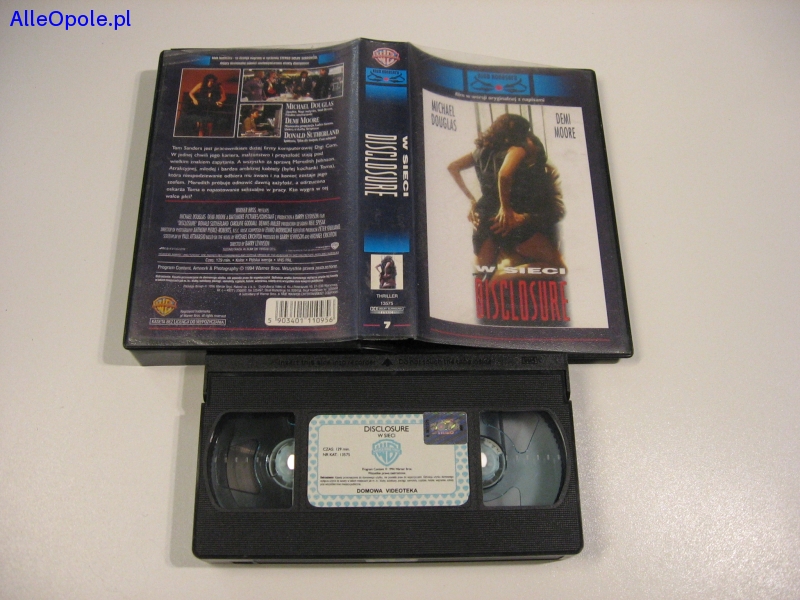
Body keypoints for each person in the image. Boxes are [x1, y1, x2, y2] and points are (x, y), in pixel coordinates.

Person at [447, 113, 565, 270]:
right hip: (506, 217)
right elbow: (504, 174)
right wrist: (505, 207)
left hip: (484, 213)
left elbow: (453, 167)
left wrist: (471, 199)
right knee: (558, 266)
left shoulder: (481, 151)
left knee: (481, 272)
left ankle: (498, 277)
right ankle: (503, 277)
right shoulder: (517, 149)